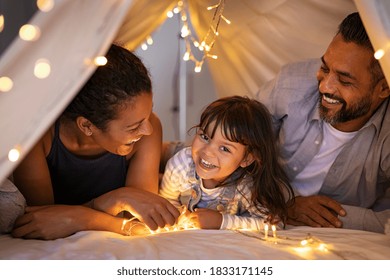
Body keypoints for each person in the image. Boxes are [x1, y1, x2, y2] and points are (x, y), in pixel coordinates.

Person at [11, 44, 180, 240]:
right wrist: (115, 199)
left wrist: (78, 218)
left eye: (149, 113)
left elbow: (141, 221)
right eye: (133, 127)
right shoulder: (35, 136)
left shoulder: (149, 131)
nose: (147, 129)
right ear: (87, 126)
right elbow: (39, 222)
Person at [256, 12, 390, 233]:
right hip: (261, 214)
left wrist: (331, 219)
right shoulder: (291, 82)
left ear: (384, 88)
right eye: (325, 68)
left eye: (345, 80)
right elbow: (236, 144)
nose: (325, 86)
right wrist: (285, 203)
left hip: (342, 241)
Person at [159, 96, 294, 231]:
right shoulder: (181, 164)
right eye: (205, 137)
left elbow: (274, 224)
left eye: (225, 148)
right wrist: (179, 219)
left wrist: (222, 221)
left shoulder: (246, 185)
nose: (208, 152)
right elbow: (166, 202)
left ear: (246, 159)